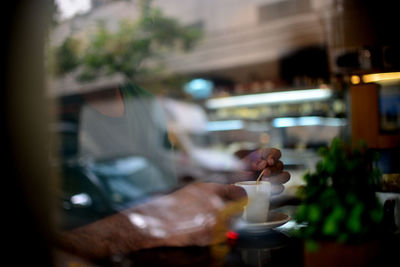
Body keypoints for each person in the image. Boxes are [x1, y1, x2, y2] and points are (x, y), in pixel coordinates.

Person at [55, 81, 291, 261]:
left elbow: (162, 183)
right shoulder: (49, 109)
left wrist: (234, 176)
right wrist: (146, 227)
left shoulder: (143, 101)